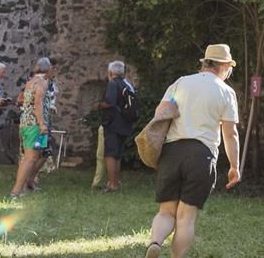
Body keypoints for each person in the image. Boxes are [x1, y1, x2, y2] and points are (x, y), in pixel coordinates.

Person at [148, 45, 243, 258]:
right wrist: (234, 166)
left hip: (171, 153)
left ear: (205, 63)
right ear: (224, 66)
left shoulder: (181, 82)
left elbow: (160, 113)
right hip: (201, 155)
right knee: (185, 218)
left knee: (166, 212)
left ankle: (155, 242)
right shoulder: (226, 92)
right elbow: (230, 134)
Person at [9, 57, 56, 197]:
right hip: (34, 125)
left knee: (39, 155)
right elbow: (38, 103)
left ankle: (25, 186)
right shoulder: (42, 83)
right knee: (29, 158)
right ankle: (16, 191)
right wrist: (42, 124)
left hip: (26, 123)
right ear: (48, 69)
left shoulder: (30, 82)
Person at [96, 60, 138, 192]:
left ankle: (112, 184)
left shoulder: (113, 84)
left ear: (110, 72)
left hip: (113, 123)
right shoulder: (127, 84)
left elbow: (110, 102)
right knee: (118, 154)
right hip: (125, 123)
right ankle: (116, 181)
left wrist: (98, 105)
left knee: (110, 154)